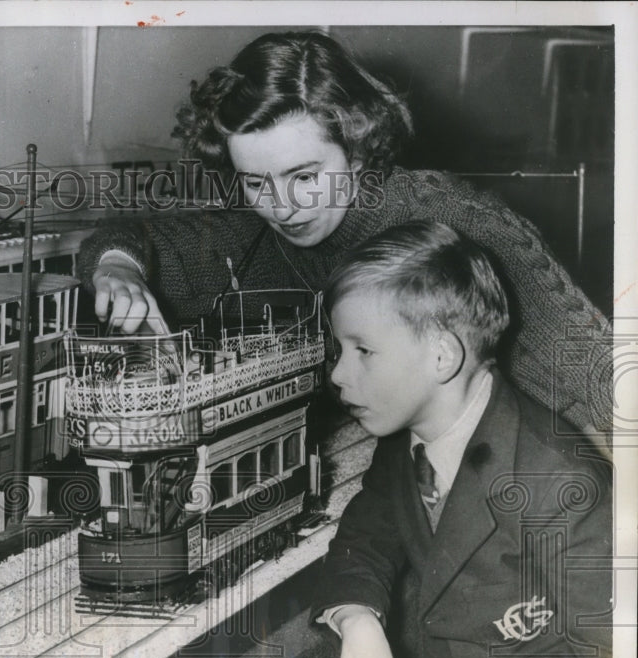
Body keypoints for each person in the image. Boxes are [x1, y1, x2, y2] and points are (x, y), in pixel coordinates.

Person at [77, 30, 611, 436]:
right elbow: (133, 238)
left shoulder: (455, 219)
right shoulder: (267, 235)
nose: (283, 208)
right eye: (255, 183)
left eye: (304, 177)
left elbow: (596, 374)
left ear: (358, 151)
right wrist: (117, 268)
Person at [311, 221, 612, 658]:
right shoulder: (404, 438)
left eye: (362, 350)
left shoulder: (558, 480)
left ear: (442, 357)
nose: (338, 373)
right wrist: (356, 617)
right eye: (340, 350)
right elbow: (364, 538)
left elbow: (612, 655)